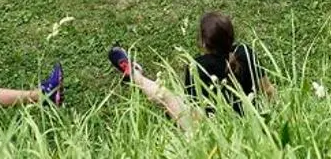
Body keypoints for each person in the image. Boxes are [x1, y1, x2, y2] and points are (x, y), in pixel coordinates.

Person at [108, 10, 271, 127]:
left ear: (203, 42)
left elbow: (196, 115)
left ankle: (134, 73)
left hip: (215, 129)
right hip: (252, 121)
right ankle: (133, 72)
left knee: (165, 95)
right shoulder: (245, 51)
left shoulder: (198, 66)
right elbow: (268, 90)